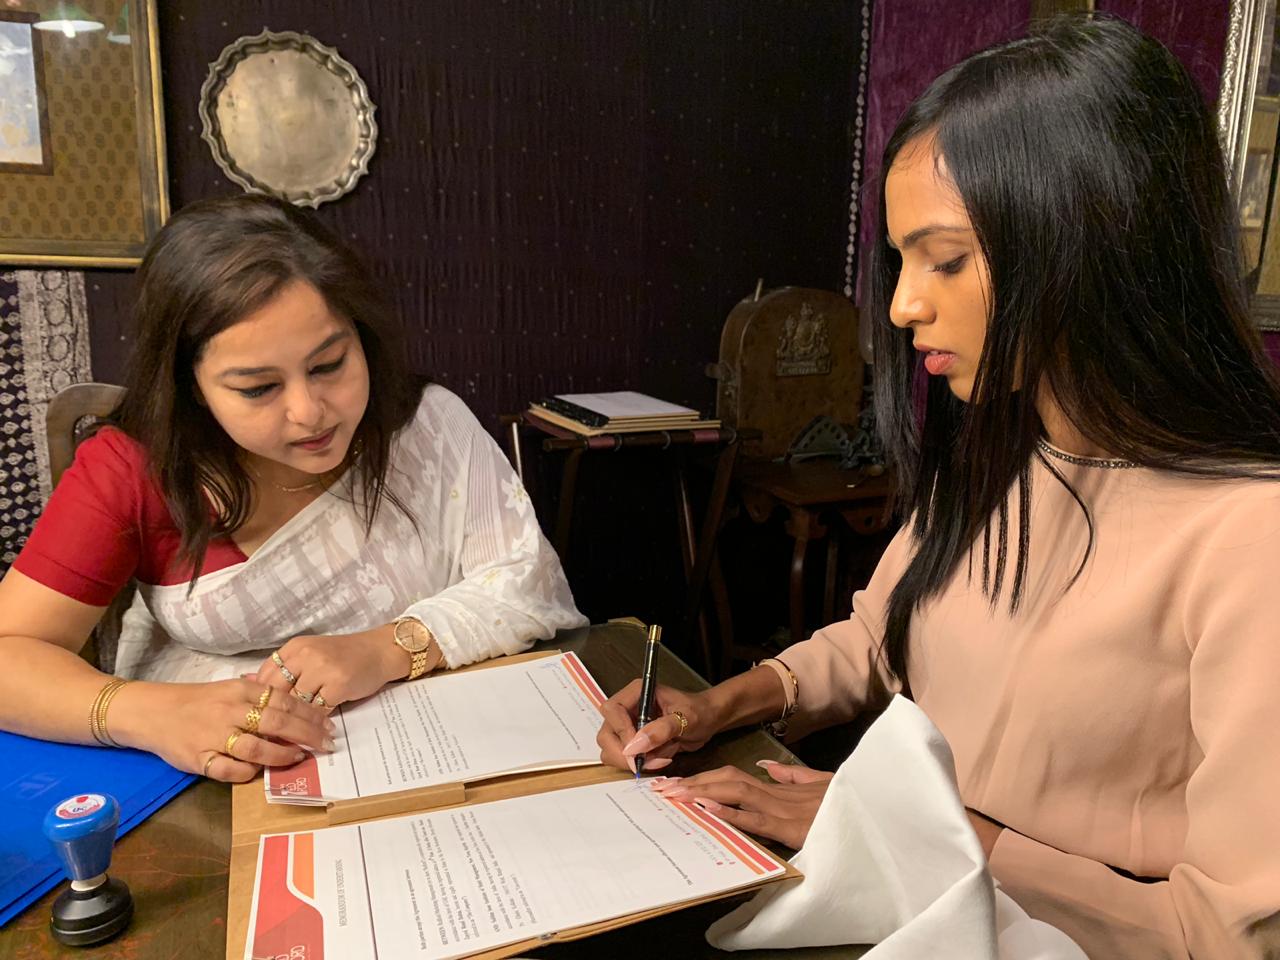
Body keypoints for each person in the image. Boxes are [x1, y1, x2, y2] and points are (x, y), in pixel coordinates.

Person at [597, 17, 1280, 959]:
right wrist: (724, 704)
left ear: (1089, 241)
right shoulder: (1000, 454)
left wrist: (928, 833)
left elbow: (1229, 936)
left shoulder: (1252, 536)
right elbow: (881, 638)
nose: (901, 305)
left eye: (946, 260)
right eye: (902, 260)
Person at [0, 194, 585, 783]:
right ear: (192, 386)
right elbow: (10, 652)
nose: (309, 412)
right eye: (258, 389)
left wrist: (387, 648)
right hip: (209, 769)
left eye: (329, 365)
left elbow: (525, 582)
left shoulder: (425, 426)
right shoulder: (135, 468)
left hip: (434, 747)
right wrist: (147, 713)